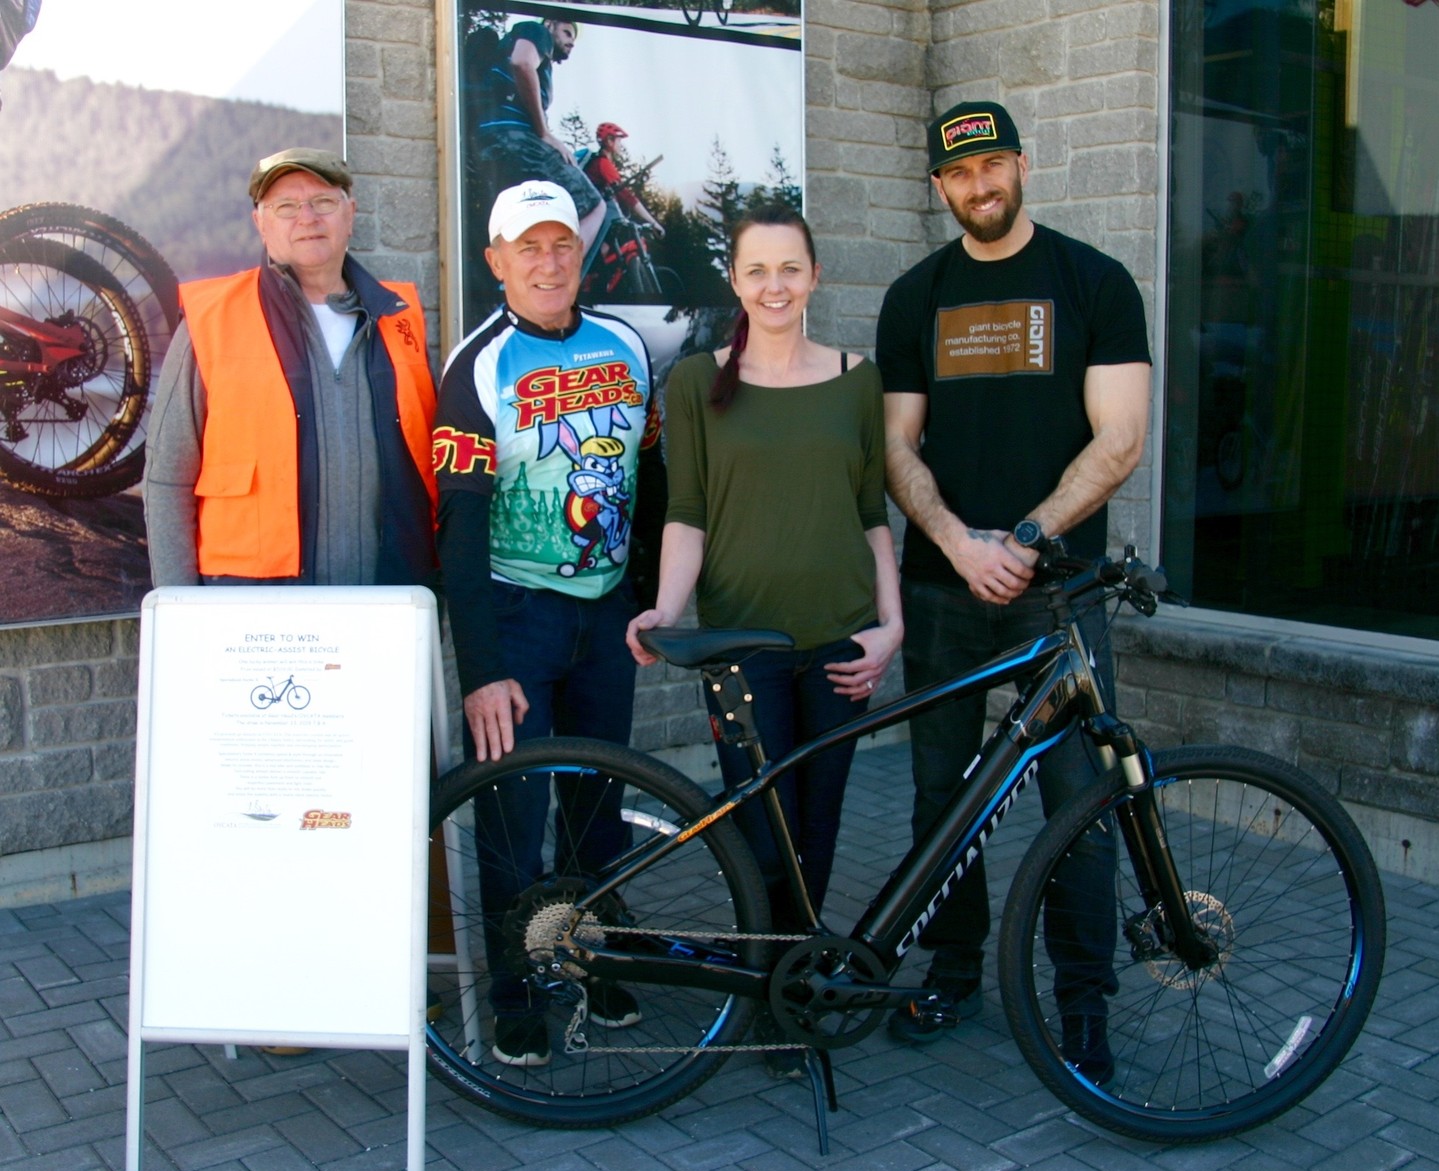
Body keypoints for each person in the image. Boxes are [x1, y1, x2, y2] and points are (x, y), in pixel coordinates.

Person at [877, 101, 1152, 1081]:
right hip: (947, 585)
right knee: (938, 802)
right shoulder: (916, 295)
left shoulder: (1095, 283)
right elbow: (897, 444)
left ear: (1022, 165)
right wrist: (957, 541)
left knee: (1077, 804)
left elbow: (1118, 439)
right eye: (959, 174)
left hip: (1056, 590)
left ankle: (1084, 1003)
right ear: (941, 187)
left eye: (993, 165)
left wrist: (1027, 538)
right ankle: (952, 971)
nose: (979, 186)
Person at [626, 204, 900, 1077]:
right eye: (757, 271)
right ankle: (762, 986)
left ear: (814, 275)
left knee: (818, 825)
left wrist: (891, 626)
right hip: (741, 641)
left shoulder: (859, 378)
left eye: (790, 269)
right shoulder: (698, 382)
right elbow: (687, 513)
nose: (775, 286)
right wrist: (667, 610)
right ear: (736, 282)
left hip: (840, 638)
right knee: (757, 823)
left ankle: (800, 984)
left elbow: (871, 514)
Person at [435, 179, 657, 1068]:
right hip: (517, 616)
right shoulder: (477, 365)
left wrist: (643, 595)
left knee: (597, 809)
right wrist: (481, 667)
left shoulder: (629, 345)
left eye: (560, 242)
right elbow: (455, 526)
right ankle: (513, 991)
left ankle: (591, 959)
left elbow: (656, 477)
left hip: (604, 615)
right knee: (512, 820)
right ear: (496, 261)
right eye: (527, 246)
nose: (547, 260)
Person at [144, 147, 438, 593]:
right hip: (255, 607)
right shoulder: (212, 320)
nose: (307, 217)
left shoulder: (399, 318)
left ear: (350, 213)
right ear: (260, 224)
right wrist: (179, 608)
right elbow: (168, 479)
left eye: (323, 202)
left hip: (386, 603)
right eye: (285, 207)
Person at [464, 16, 605, 319]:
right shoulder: (535, 31)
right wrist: (544, 133)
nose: (570, 41)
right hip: (516, 140)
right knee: (595, 206)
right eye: (567, 31)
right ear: (552, 23)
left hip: (490, 145)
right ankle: (562, 285)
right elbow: (522, 63)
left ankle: (515, 289)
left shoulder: (519, 51)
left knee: (526, 223)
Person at [584, 123, 666, 238]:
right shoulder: (604, 164)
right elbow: (626, 196)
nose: (621, 145)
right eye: (619, 141)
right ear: (609, 141)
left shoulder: (597, 161)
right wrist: (654, 223)